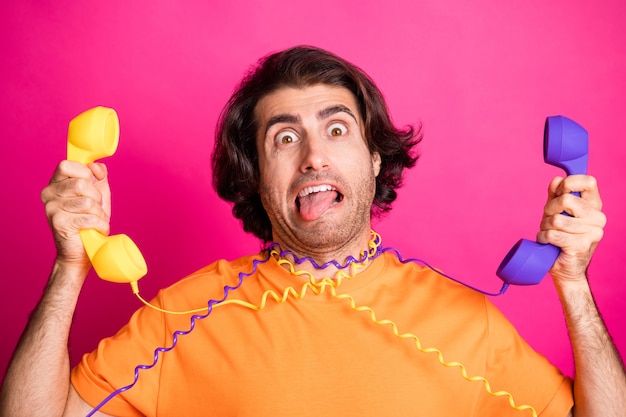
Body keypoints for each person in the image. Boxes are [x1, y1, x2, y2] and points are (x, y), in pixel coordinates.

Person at [1, 45, 624, 417]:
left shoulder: (469, 322)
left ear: (375, 158)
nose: (314, 158)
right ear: (257, 174)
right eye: (285, 138)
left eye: (336, 129)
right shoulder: (178, 318)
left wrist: (573, 282)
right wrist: (69, 266)